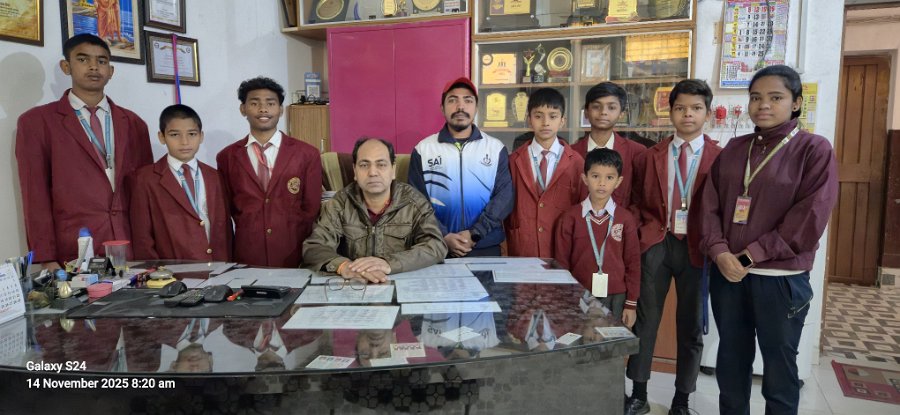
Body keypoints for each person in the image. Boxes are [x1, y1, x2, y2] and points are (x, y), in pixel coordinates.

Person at [699, 65, 838, 415]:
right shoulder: (735, 149)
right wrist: (719, 252)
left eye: (775, 97)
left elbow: (808, 220)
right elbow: (709, 206)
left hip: (779, 280)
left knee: (779, 368)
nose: (763, 105)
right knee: (731, 361)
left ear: (796, 103)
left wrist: (747, 257)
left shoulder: (814, 149)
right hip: (728, 277)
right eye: (756, 97)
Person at [625, 79, 722, 415]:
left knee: (691, 325)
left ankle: (681, 399)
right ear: (671, 112)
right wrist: (641, 232)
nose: (687, 115)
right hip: (657, 242)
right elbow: (636, 200)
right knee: (645, 321)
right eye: (680, 108)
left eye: (696, 108)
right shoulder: (650, 156)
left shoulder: (720, 158)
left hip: (698, 247)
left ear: (707, 113)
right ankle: (638, 393)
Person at [16, 33, 152, 269]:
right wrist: (46, 259)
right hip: (74, 251)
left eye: (101, 61)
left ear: (111, 71)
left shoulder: (134, 124)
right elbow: (35, 196)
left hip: (131, 249)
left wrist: (151, 252)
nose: (93, 67)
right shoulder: (37, 122)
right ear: (66, 66)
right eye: (83, 59)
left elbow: (146, 194)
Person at [303, 138, 448, 282]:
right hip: (355, 284)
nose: (372, 172)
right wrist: (343, 266)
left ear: (393, 170)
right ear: (355, 171)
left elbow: (435, 245)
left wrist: (389, 263)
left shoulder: (414, 202)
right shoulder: (340, 203)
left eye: (381, 164)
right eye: (364, 165)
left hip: (401, 283)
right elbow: (315, 246)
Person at [216, 76, 322, 267]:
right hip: (248, 254)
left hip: (293, 252)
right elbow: (227, 208)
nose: (263, 109)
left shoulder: (307, 154)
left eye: (270, 103)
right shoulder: (227, 156)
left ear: (280, 110)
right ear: (243, 109)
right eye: (254, 103)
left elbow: (311, 208)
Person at [408, 77, 513, 257]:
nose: (460, 106)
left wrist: (476, 233)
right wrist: (443, 235)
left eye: (468, 100)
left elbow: (504, 197)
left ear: (476, 107)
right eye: (453, 100)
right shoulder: (423, 150)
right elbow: (416, 201)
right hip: (437, 247)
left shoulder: (495, 149)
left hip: (484, 245)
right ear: (442, 108)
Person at [129, 104, 231, 261]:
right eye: (175, 135)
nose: (184, 142)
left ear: (201, 136)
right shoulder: (145, 179)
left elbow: (225, 229)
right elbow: (142, 237)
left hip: (218, 267)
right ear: (162, 137)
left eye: (192, 134)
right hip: (171, 270)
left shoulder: (215, 176)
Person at [553, 148, 640, 327]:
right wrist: (564, 299)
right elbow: (561, 263)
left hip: (616, 296)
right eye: (595, 176)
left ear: (618, 181)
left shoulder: (625, 219)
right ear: (585, 178)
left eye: (609, 177)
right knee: (581, 339)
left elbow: (633, 263)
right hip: (579, 294)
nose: (602, 183)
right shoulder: (570, 217)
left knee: (613, 343)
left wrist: (631, 303)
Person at [506, 87, 586, 257]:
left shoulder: (576, 162)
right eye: (538, 116)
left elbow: (581, 207)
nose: (545, 123)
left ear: (562, 121)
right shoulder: (513, 160)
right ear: (529, 120)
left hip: (562, 248)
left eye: (553, 116)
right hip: (523, 247)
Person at [571, 82, 646, 207]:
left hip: (623, 219)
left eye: (611, 107)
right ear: (586, 112)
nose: (603, 112)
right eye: (596, 107)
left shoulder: (636, 152)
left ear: (621, 113)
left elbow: (640, 200)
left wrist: (626, 219)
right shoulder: (571, 153)